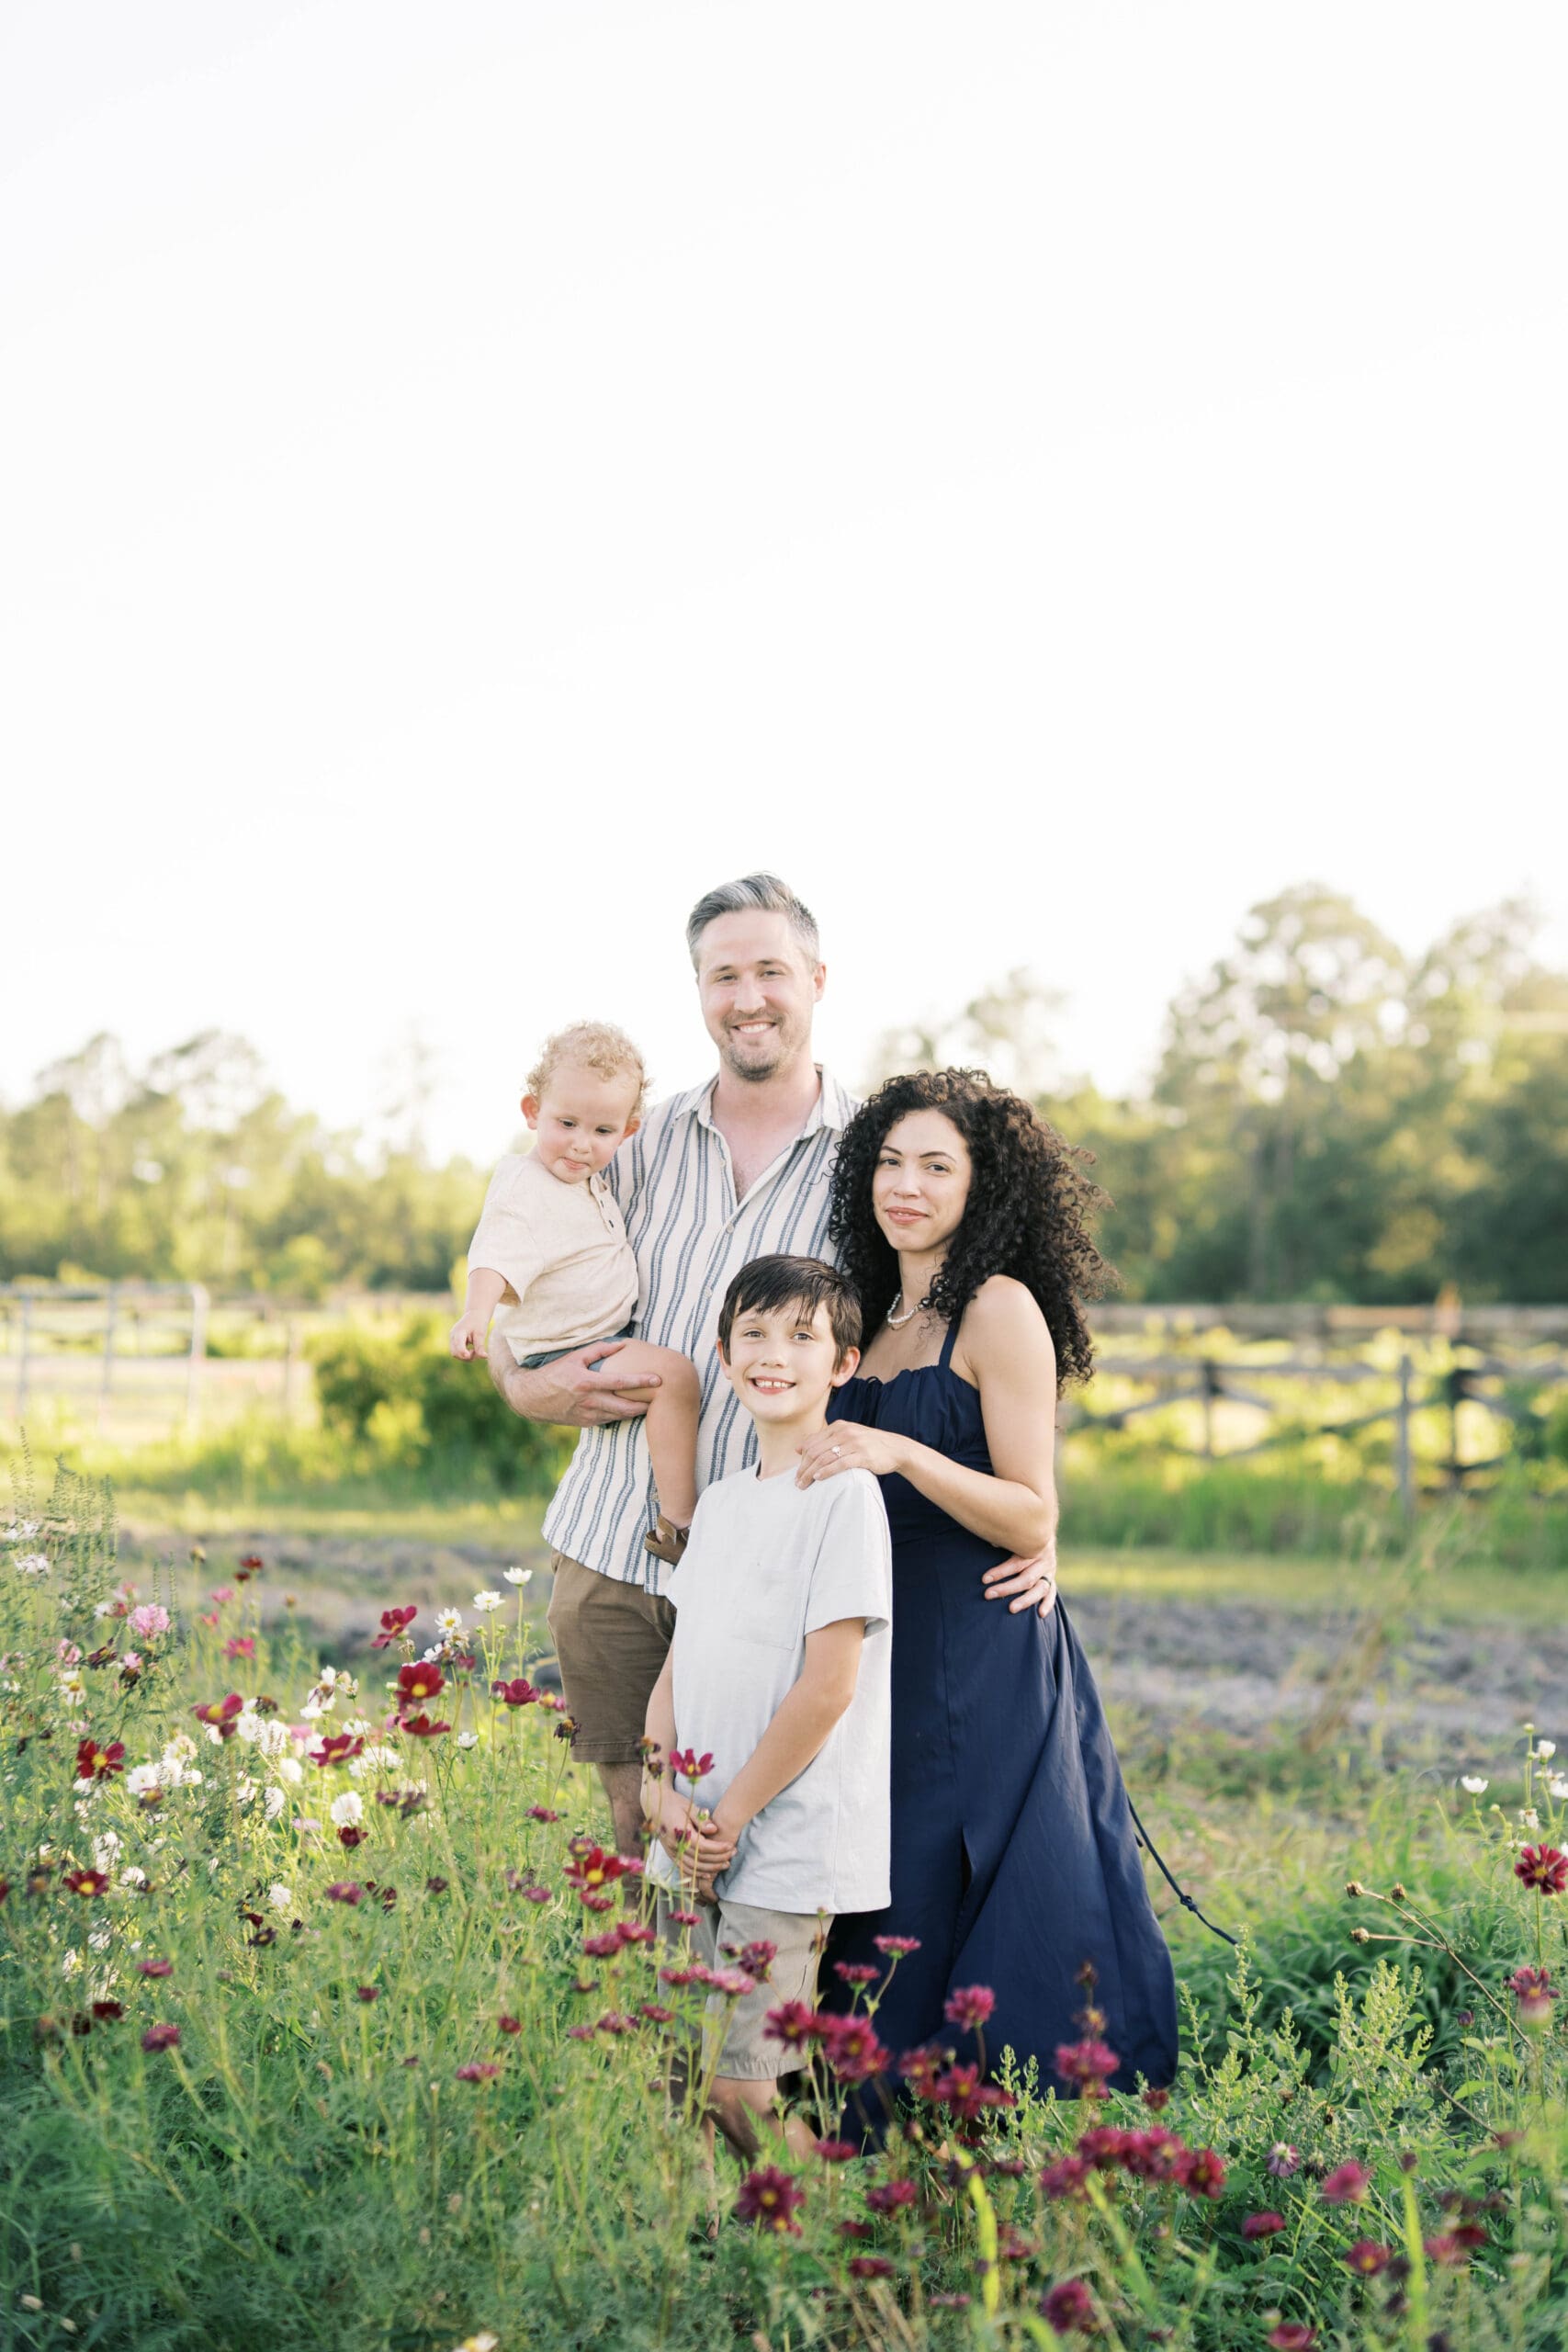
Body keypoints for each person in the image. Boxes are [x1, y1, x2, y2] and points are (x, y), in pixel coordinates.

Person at [487, 875, 1055, 1859]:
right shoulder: (625, 1136)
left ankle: (752, 2019)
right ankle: (649, 2020)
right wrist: (518, 1379)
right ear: (698, 990)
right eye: (723, 975)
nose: (748, 997)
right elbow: (512, 1267)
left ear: (818, 980)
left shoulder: (873, 1160)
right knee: (634, 1842)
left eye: (771, 971)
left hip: (782, 1560)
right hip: (617, 1537)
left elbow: (936, 1339)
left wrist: (1027, 1515)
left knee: (766, 1841)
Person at [799, 1067, 1179, 2109]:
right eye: (889, 1162)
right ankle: (856, 2130)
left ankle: (957, 2131)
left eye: (936, 1165)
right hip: (877, 1647)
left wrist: (903, 1455)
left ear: (984, 1185)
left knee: (936, 1887)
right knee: (868, 1881)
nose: (906, 1185)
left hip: (974, 1649)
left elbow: (1032, 1512)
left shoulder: (997, 1308)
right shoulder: (871, 1315)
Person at [641, 1253, 892, 2163]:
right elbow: (682, 1658)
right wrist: (656, 1785)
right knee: (680, 2072)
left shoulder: (845, 1497)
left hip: (781, 1840)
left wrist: (730, 1815)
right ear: (723, 1352)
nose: (772, 1352)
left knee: (743, 2081)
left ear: (844, 1363)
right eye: (753, 1332)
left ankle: (831, 2244)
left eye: (800, 1334)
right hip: (691, 1832)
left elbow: (830, 1684)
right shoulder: (722, 1505)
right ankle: (734, 2269)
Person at [449, 1023, 700, 1564]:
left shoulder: (585, 1176)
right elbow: (495, 1250)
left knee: (667, 1381)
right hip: (568, 1347)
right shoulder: (525, 1184)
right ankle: (680, 1526)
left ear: (628, 1130)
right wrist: (476, 1313)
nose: (582, 1144)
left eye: (602, 1130)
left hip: (597, 1336)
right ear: (531, 1110)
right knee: (675, 1377)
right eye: (566, 1123)